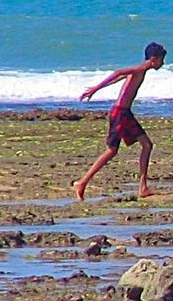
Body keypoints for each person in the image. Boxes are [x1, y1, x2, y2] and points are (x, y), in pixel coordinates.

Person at [71, 42, 166, 200]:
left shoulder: (140, 70)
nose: (163, 63)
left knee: (147, 145)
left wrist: (99, 88)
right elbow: (118, 72)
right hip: (120, 113)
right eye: (161, 60)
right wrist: (95, 88)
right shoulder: (140, 69)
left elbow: (119, 78)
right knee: (112, 150)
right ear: (153, 60)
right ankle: (82, 182)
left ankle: (143, 188)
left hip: (124, 113)